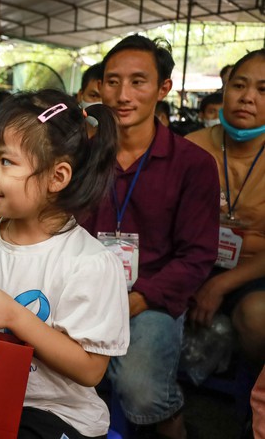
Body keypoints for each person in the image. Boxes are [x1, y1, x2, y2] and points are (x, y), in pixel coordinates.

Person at [0, 89, 129, 439]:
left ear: (57, 177)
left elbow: (90, 371)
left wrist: (14, 317)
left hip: (55, 413)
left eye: (6, 162)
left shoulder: (91, 263)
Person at [81, 35, 220, 439]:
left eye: (138, 82)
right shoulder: (83, 156)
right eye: (112, 82)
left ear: (163, 89)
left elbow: (197, 255)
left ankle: (171, 419)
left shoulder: (192, 164)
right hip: (84, 289)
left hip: (153, 296)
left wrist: (136, 299)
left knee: (140, 390)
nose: (122, 95)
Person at [186, 49, 265, 367]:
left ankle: (254, 406)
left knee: (257, 316)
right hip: (192, 264)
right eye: (239, 85)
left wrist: (221, 284)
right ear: (226, 87)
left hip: (254, 272)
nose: (247, 98)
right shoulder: (191, 146)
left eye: (263, 90)